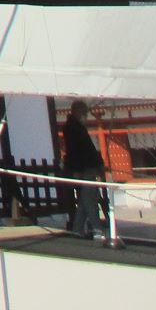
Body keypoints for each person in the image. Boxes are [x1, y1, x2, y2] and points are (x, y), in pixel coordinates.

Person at [61, 99, 105, 240]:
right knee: (89, 199)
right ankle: (97, 229)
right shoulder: (72, 129)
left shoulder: (77, 127)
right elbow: (76, 152)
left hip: (87, 167)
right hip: (83, 168)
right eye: (85, 113)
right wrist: (78, 170)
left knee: (85, 200)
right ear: (80, 113)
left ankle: (77, 228)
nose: (87, 117)